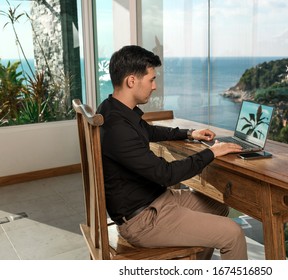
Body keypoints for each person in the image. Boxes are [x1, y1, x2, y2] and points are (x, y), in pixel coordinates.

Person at [97, 45, 248, 260]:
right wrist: (212, 152)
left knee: (218, 207)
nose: (155, 86)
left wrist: (189, 133)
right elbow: (166, 174)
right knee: (233, 233)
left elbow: (148, 130)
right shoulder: (117, 128)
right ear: (131, 81)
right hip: (143, 220)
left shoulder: (112, 109)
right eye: (151, 79)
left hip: (155, 200)